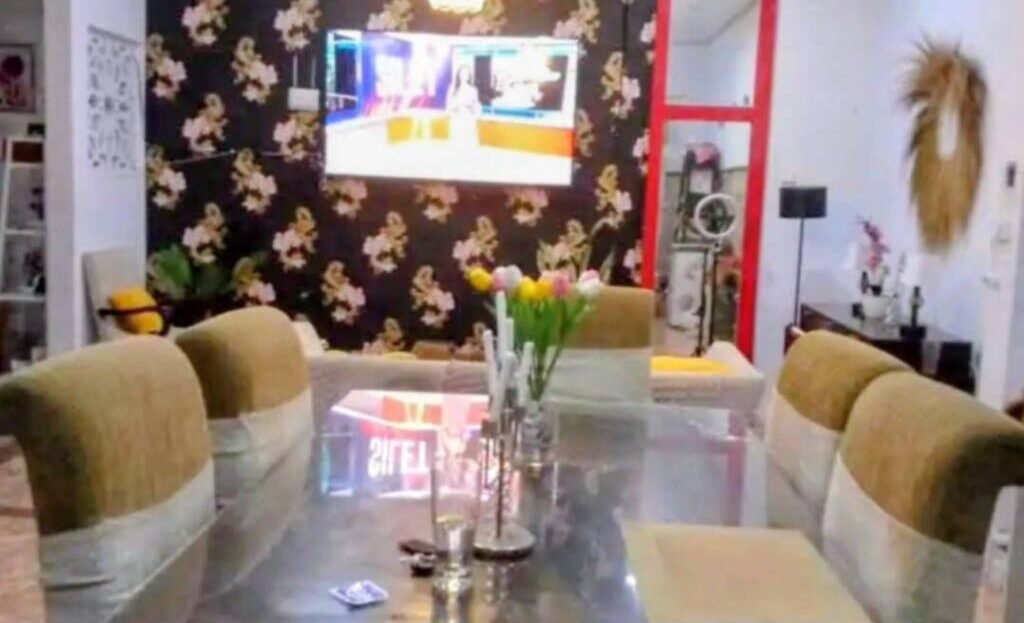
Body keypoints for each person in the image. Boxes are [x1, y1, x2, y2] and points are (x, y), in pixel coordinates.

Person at [446, 64, 481, 147]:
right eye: (462, 73)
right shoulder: (452, 88)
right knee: (456, 144)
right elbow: (448, 106)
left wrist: (473, 109)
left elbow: (476, 107)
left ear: (469, 76)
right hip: (456, 120)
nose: (464, 75)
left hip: (468, 121)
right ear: (459, 75)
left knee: (468, 144)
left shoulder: (473, 90)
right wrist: (455, 106)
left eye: (466, 73)